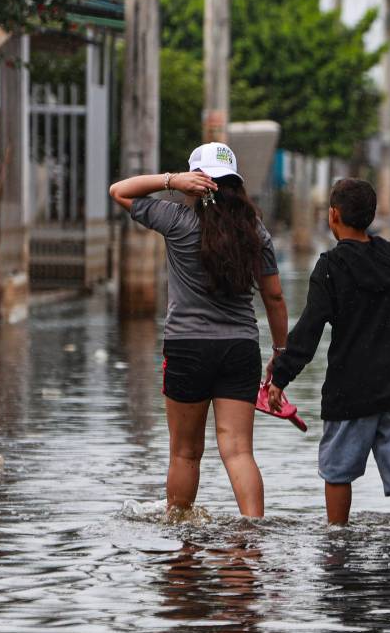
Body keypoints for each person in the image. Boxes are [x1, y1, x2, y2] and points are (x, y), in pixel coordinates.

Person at [109, 142, 290, 518]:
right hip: (240, 349)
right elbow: (274, 299)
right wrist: (280, 353)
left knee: (185, 452)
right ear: (236, 184)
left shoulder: (175, 220)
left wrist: (171, 180)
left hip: (188, 348)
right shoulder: (255, 233)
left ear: (197, 181)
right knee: (239, 451)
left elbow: (119, 191)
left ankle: (180, 540)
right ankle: (252, 534)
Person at [268, 178, 390, 531]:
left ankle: (337, 539)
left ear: (333, 215)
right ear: (371, 215)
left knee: (337, 471)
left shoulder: (331, 266)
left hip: (349, 392)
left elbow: (309, 331)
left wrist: (279, 377)